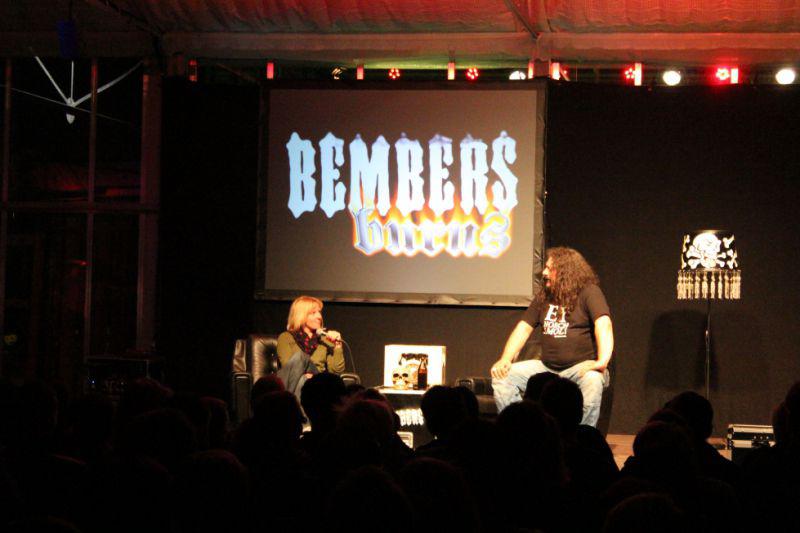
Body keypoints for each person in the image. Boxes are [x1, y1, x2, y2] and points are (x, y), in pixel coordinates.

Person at [490, 247, 614, 426]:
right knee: (502, 376)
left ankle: (582, 436)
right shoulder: (544, 296)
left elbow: (604, 324)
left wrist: (602, 362)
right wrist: (505, 359)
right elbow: (523, 328)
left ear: (565, 272)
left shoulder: (589, 292)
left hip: (579, 369)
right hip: (546, 368)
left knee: (593, 380)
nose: (544, 272)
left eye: (550, 268)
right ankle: (519, 428)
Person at [277, 296, 345, 398]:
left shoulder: (325, 340)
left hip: (319, 383)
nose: (319, 316)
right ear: (301, 315)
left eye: (319, 312)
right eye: (313, 313)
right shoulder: (286, 337)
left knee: (302, 359)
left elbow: (336, 373)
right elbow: (289, 368)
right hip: (296, 382)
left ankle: (284, 400)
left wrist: (337, 346)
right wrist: (305, 377)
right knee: (303, 376)